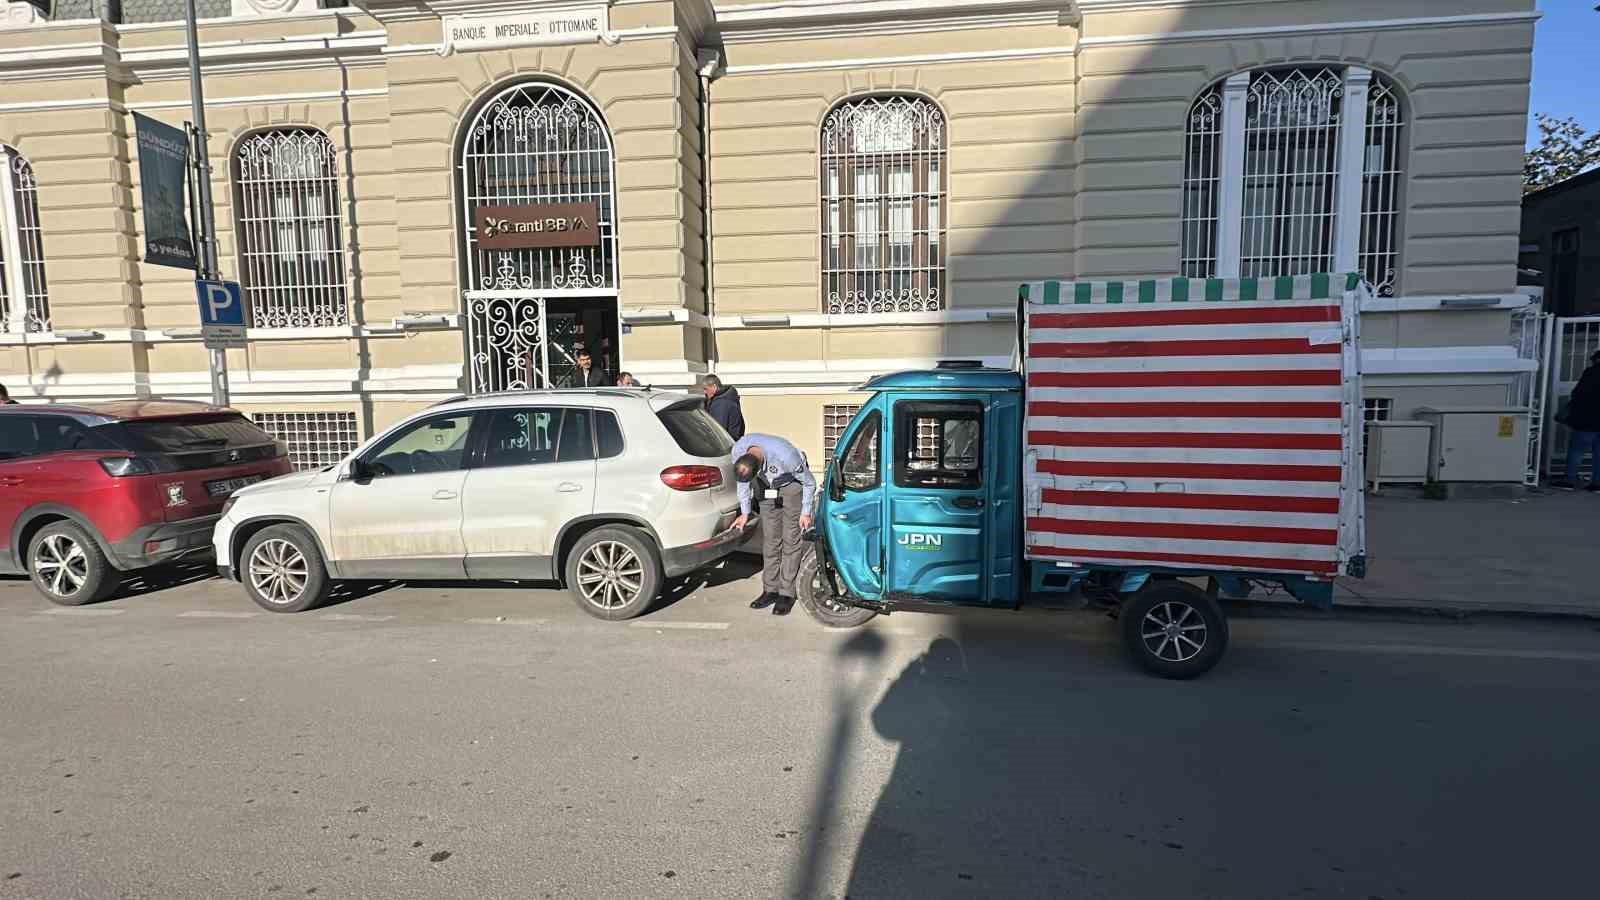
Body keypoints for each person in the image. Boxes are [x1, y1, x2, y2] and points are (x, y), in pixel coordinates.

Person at [730, 433, 816, 616]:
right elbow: (743, 484)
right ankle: (770, 590)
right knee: (770, 541)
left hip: (791, 484)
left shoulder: (785, 455)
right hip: (765, 488)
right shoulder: (738, 451)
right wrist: (745, 513)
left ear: (761, 464)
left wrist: (805, 512)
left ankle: (786, 594)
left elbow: (809, 482)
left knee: (791, 540)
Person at [1554, 349, 1600, 491]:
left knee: (1577, 450)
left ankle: (1569, 480)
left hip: (1588, 419)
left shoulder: (1592, 372)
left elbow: (1578, 393)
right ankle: (1597, 483)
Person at [699, 374, 745, 440]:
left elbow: (718, 431)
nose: (704, 392)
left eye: (706, 389)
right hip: (733, 440)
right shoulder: (728, 397)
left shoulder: (721, 403)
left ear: (714, 386)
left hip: (725, 444)